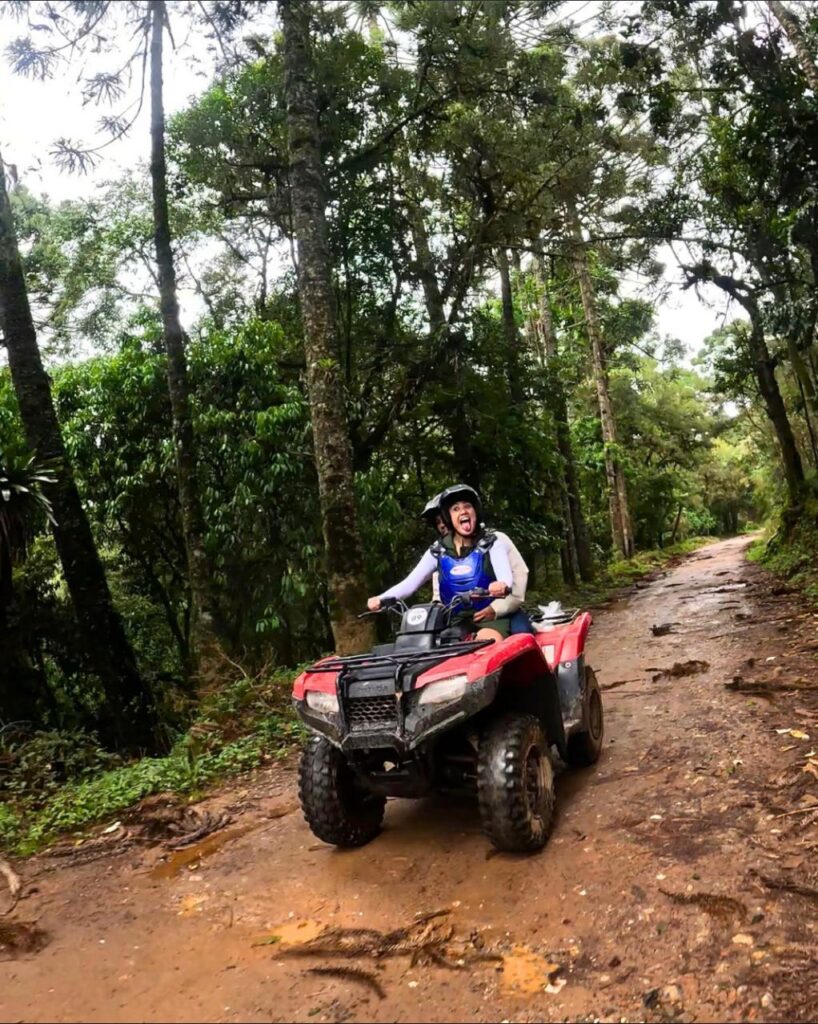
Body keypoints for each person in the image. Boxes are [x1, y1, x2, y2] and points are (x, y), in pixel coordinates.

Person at [368, 484, 513, 643]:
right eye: (455, 509)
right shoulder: (438, 550)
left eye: (467, 506)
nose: (463, 511)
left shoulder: (492, 542)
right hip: (455, 621)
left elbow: (506, 577)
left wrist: (502, 585)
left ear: (475, 511)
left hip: (490, 618)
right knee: (430, 647)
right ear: (448, 517)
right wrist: (381, 599)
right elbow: (410, 583)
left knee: (487, 643)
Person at [420, 492, 533, 634]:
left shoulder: (495, 540)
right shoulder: (441, 553)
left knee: (522, 635)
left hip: (503, 611)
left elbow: (519, 576)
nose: (443, 524)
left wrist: (496, 609)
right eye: (438, 522)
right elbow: (439, 594)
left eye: (443, 519)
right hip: (463, 618)